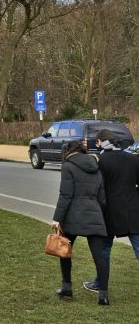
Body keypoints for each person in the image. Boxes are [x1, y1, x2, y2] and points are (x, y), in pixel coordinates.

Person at [51, 140, 109, 305]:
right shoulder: (96, 167)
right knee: (100, 257)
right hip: (94, 213)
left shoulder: (68, 166)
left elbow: (65, 195)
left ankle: (67, 287)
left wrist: (57, 218)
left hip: (73, 215)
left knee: (64, 250)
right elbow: (102, 198)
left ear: (68, 151)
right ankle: (103, 295)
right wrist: (98, 212)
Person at [83, 129, 139, 296]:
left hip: (109, 211)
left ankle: (100, 283)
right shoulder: (133, 159)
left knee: (104, 250)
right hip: (133, 208)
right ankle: (98, 283)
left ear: (100, 141)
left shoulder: (101, 160)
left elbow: (98, 186)